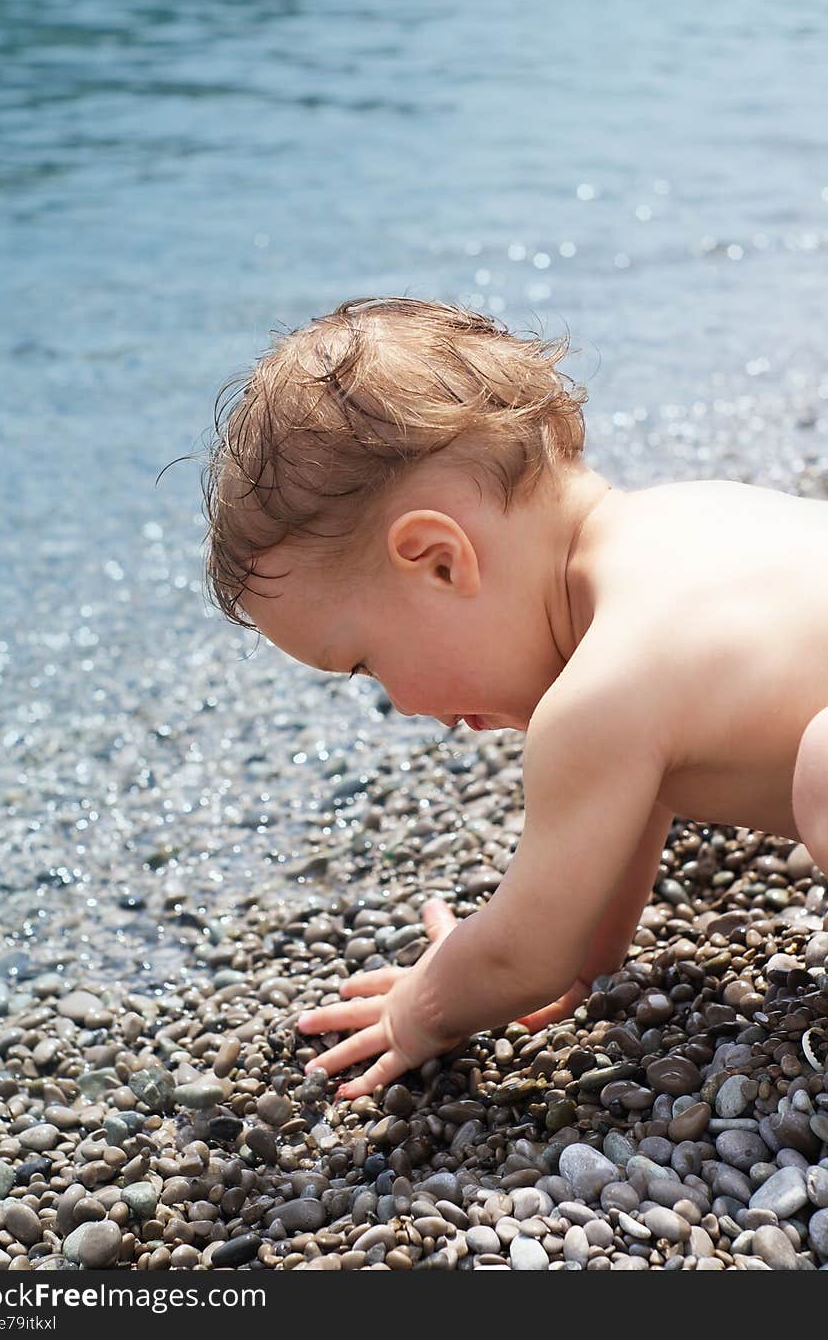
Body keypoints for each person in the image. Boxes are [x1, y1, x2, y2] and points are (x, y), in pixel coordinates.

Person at [202, 295, 828, 1100]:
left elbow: (519, 956)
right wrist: (590, 956)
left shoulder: (597, 699)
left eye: (366, 663)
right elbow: (614, 826)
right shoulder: (688, 518)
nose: (400, 703)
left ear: (438, 560)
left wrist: (425, 1006)